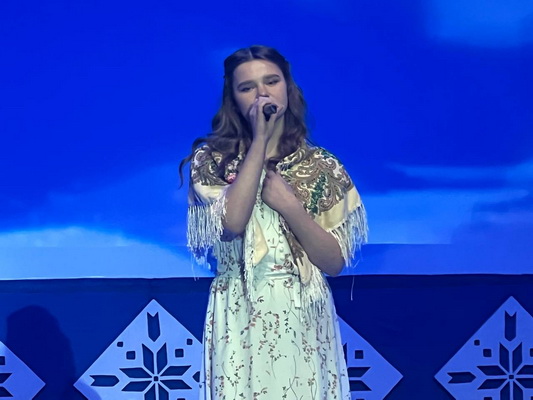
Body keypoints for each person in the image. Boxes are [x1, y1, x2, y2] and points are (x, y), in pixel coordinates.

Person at [180, 45, 368, 399]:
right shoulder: (212, 160)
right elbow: (232, 223)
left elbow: (333, 262)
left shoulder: (320, 166)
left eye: (271, 81)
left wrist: (290, 206)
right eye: (247, 87)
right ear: (233, 98)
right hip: (240, 305)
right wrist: (260, 141)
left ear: (288, 88)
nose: (262, 93)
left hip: (302, 307)